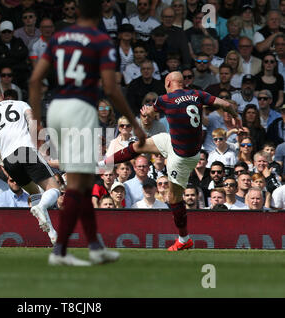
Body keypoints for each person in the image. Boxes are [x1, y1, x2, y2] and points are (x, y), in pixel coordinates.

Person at [29, 0, 145, 266]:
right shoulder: (101, 40)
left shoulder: (58, 37)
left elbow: (35, 80)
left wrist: (36, 123)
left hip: (56, 108)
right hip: (80, 109)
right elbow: (112, 89)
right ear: (100, 16)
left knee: (81, 183)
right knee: (77, 184)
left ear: (78, 12)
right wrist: (136, 126)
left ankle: (94, 247)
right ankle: (60, 252)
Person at [101, 71, 240, 251]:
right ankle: (104, 162)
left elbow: (148, 113)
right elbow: (226, 104)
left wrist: (146, 113)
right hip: (174, 142)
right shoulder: (198, 94)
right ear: (183, 84)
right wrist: (235, 115)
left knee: (174, 199)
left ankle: (184, 239)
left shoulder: (165, 99)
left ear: (168, 82)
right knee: (138, 146)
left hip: (183, 158)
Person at [0, 86, 61, 244]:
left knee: (34, 192)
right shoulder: (19, 104)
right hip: (25, 151)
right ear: (3, 96)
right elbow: (32, 120)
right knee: (54, 189)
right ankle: (41, 208)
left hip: (9, 161)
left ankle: (52, 233)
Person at [0, 20, 30, 90]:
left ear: (13, 32)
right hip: (3, 80)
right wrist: (17, 57)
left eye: (9, 32)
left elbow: (25, 54)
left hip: (21, 79)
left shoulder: (19, 41)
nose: (6, 34)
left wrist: (6, 55)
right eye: (4, 32)